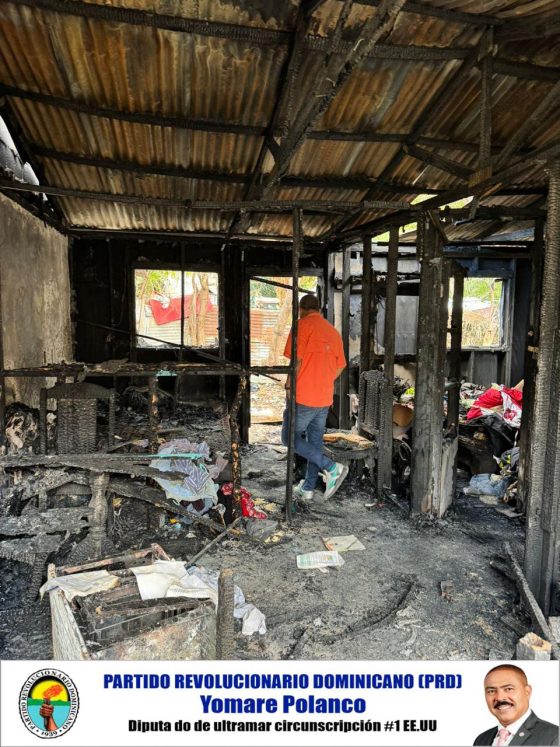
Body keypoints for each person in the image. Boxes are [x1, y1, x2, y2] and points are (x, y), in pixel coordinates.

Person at [281, 294, 348, 501]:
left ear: (301, 309)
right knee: (314, 443)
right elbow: (341, 365)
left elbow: (297, 362)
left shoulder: (301, 326)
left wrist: (290, 385)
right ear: (319, 309)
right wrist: (324, 380)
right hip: (323, 398)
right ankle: (308, 488)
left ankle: (331, 466)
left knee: (289, 438)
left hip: (304, 396)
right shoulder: (332, 332)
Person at [474, 664, 558, 746]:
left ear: (527, 692)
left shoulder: (555, 736)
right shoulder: (481, 740)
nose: (499, 697)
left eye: (508, 689)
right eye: (491, 691)